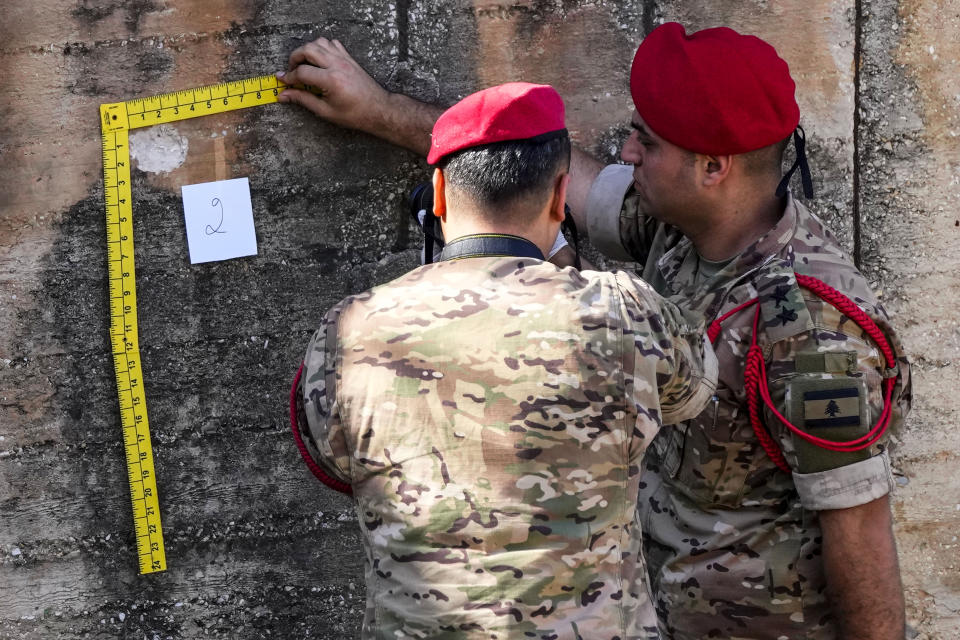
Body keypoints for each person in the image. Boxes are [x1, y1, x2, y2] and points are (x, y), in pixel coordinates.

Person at [278, 22, 912, 640]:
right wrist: (379, 110)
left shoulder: (810, 328)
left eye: (646, 141)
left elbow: (858, 529)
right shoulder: (678, 225)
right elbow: (529, 176)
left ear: (713, 167)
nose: (626, 152)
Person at [289, 82, 718, 639]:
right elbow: (695, 390)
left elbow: (334, 461)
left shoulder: (349, 331)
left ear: (439, 193)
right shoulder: (624, 313)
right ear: (561, 196)